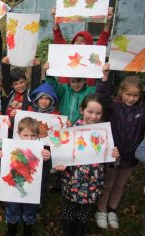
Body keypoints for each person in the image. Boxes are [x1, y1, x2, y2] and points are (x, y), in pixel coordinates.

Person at [54, 93, 120, 235]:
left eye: (98, 113)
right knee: (69, 211)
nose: (93, 116)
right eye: (90, 111)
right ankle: (67, 232)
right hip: (72, 181)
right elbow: (61, 156)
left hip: (93, 183)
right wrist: (59, 164)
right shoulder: (71, 131)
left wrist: (114, 156)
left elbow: (112, 164)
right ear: (82, 110)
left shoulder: (104, 134)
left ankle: (80, 232)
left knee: (84, 213)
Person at [95, 64, 145, 230]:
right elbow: (101, 96)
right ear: (121, 93)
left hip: (131, 156)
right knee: (108, 184)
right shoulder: (114, 107)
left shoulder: (142, 110)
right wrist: (104, 77)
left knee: (120, 185)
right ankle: (101, 210)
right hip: (112, 153)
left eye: (135, 95)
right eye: (128, 94)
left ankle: (112, 209)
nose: (131, 98)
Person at [1, 117, 51, 235]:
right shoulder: (11, 148)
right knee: (12, 209)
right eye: (26, 135)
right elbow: (5, 164)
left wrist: (47, 159)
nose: (29, 139)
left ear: (38, 135)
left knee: (30, 211)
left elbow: (45, 172)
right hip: (13, 187)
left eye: (33, 135)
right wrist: (0, 154)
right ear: (18, 134)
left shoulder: (41, 150)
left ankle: (27, 230)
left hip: (32, 189)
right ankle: (11, 229)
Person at [51, 7, 114, 86]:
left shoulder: (93, 56)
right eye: (76, 41)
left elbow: (103, 38)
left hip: (86, 93)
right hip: (66, 92)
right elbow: (58, 37)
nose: (79, 43)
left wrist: (108, 21)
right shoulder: (67, 53)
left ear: (89, 44)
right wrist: (55, 19)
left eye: (83, 41)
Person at [1, 57, 41, 137]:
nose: (19, 86)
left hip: (23, 133)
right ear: (12, 85)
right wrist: (5, 65)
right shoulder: (10, 93)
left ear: (26, 81)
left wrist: (36, 67)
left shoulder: (30, 94)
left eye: (22, 82)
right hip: (8, 131)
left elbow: (35, 82)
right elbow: (5, 80)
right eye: (16, 84)